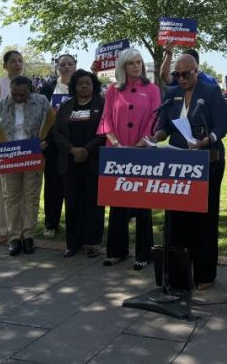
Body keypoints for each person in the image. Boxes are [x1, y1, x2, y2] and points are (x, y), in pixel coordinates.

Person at [147, 53, 227, 290]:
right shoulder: (172, 95)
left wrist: (205, 141)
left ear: (197, 71)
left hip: (207, 161)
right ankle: (178, 273)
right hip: (178, 164)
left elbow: (222, 126)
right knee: (178, 219)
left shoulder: (211, 92)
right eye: (177, 75)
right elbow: (163, 126)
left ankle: (204, 274)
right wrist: (155, 137)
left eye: (185, 74)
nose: (181, 79)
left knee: (204, 219)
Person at [98, 48, 161, 269]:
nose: (137, 66)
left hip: (141, 152)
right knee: (117, 205)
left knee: (142, 206)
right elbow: (106, 119)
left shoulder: (152, 89)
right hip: (117, 152)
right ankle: (117, 251)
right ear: (123, 66)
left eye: (139, 62)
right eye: (132, 63)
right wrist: (116, 143)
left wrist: (139, 145)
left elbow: (154, 119)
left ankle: (144, 254)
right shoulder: (113, 91)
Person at [0, 76, 56, 256]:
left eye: (22, 95)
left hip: (32, 155)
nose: (17, 98)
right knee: (11, 197)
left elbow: (51, 125)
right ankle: (14, 238)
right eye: (14, 94)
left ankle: (28, 236)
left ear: (30, 91)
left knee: (31, 197)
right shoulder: (0, 104)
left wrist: (46, 141)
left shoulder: (42, 102)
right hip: (10, 157)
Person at [52, 69, 106, 258]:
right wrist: (73, 150)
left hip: (93, 160)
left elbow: (105, 131)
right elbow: (56, 132)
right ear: (74, 86)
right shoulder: (66, 106)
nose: (84, 86)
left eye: (88, 83)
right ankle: (73, 243)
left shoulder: (102, 104)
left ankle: (93, 242)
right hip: (70, 161)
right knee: (73, 202)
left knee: (93, 203)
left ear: (94, 85)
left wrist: (86, 150)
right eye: (80, 83)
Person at [0, 49, 25, 244]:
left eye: (20, 61)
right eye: (13, 61)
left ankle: (21, 228)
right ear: (5, 65)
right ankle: (0, 228)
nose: (17, 64)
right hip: (2, 142)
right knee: (0, 187)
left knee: (22, 188)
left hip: (24, 141)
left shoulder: (30, 84)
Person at [39, 54, 77, 237]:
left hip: (75, 143)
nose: (66, 67)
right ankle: (51, 223)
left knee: (74, 185)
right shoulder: (47, 88)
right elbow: (40, 115)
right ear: (57, 67)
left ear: (75, 66)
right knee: (53, 185)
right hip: (53, 144)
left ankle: (75, 223)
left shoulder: (81, 85)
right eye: (63, 64)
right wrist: (42, 138)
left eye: (70, 64)